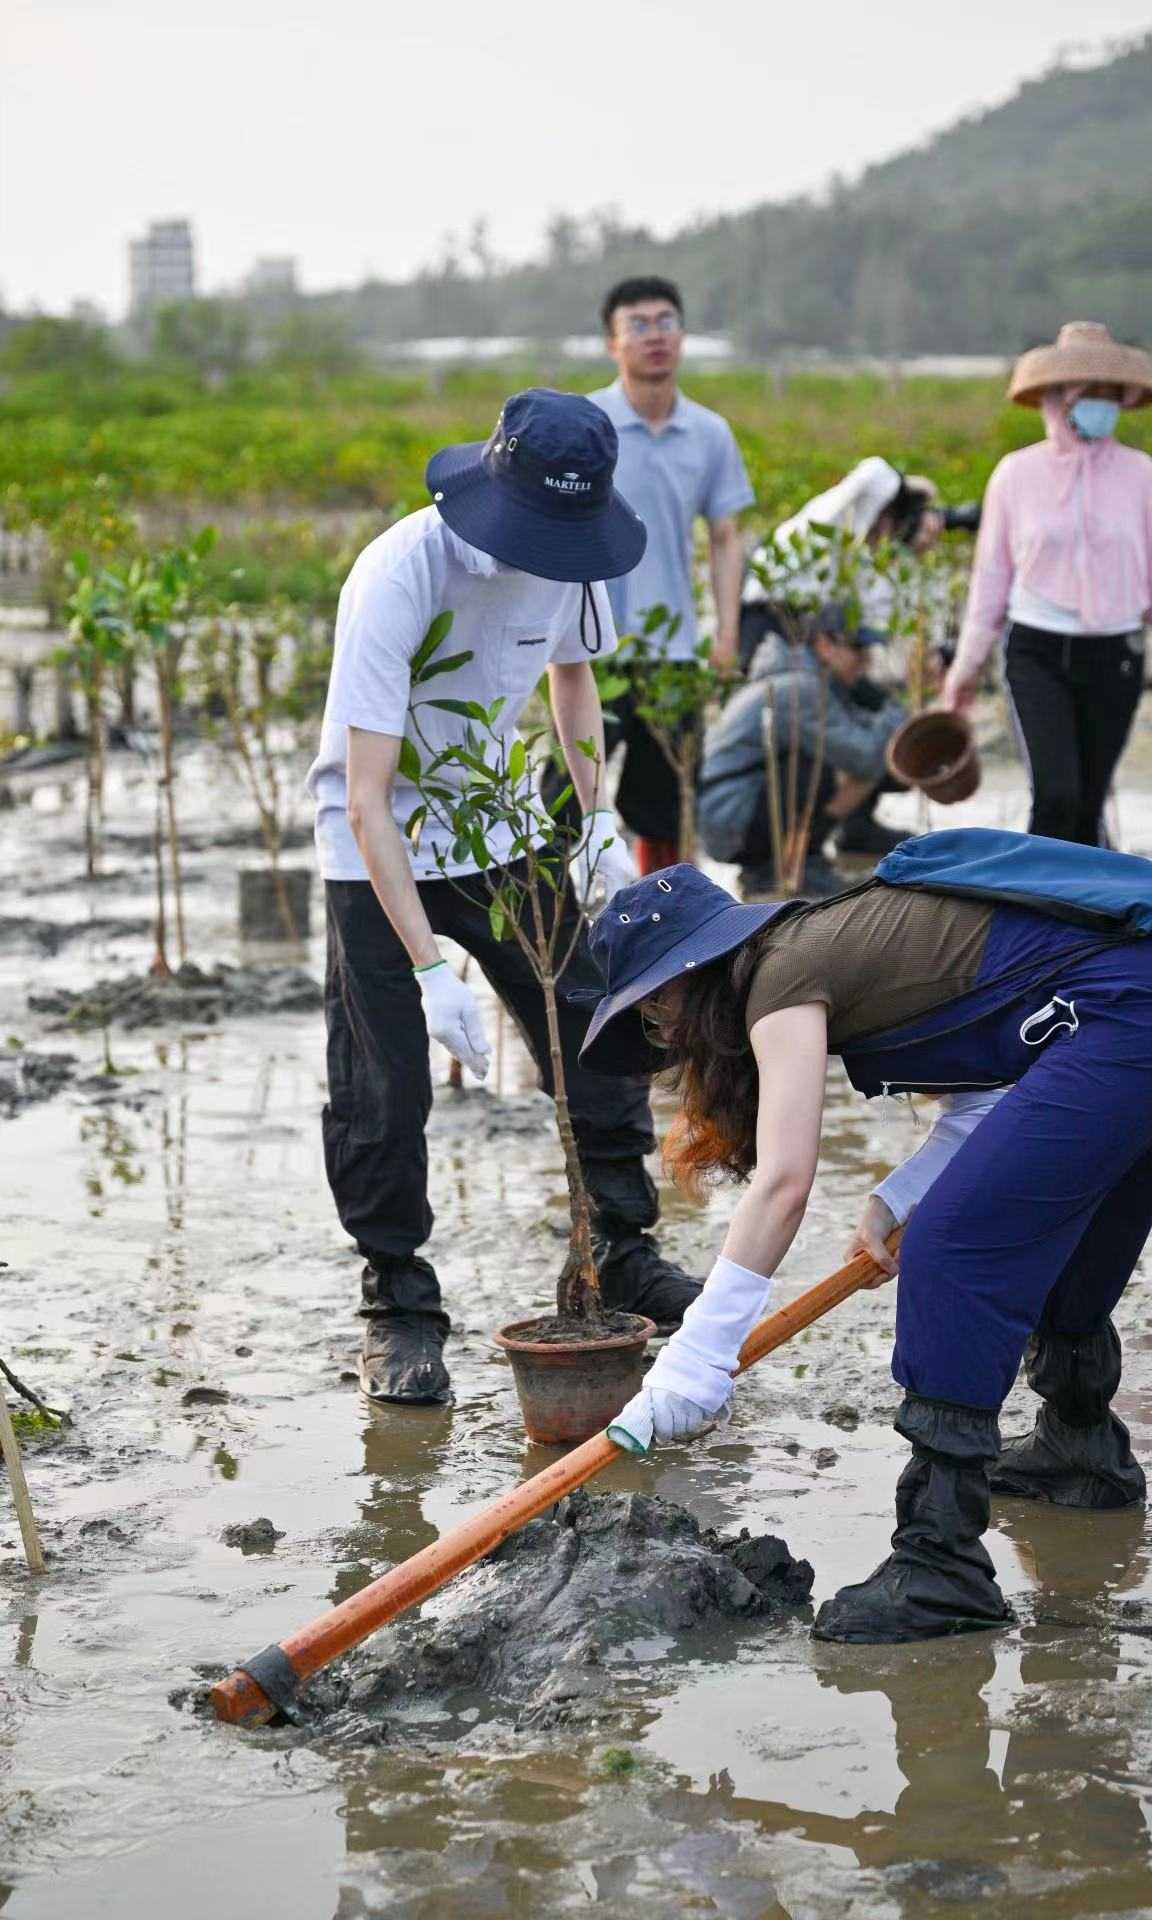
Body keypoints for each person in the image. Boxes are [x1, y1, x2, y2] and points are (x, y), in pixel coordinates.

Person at [576, 846, 1152, 1643]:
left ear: (691, 971)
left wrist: (700, 1356)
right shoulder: (824, 942)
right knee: (1057, 1224)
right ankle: (1080, 1449)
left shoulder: (777, 979)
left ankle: (940, 1566)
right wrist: (897, 1195)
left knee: (954, 1253)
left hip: (1142, 1012)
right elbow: (986, 1097)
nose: (660, 1034)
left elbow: (784, 1183)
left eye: (654, 1013)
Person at [306, 388, 700, 1406]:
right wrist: (430, 970)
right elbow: (365, 799)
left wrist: (590, 815)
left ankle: (619, 1245)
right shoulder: (397, 577)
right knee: (381, 1080)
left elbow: (574, 686)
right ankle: (398, 1297)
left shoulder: (577, 556)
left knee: (592, 1016)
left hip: (497, 820)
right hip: (379, 842)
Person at [943, 320, 1152, 845]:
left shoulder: (1140, 475)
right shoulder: (1016, 475)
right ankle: (1037, 918)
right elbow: (990, 581)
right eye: (1091, 394)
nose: (1102, 406)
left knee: (1088, 804)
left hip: (1116, 654)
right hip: (1036, 650)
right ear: (1059, 399)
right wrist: (965, 669)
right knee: (1056, 797)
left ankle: (1087, 922)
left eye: (1112, 395)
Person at [586, 276, 755, 871]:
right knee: (566, 793)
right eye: (638, 324)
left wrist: (728, 631)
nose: (654, 336)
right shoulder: (588, 426)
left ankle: (663, 940)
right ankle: (562, 939)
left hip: (674, 653)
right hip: (590, 649)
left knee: (667, 805)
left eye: (665, 321)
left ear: (681, 335)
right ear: (612, 343)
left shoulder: (709, 432)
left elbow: (726, 536)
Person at [740, 456, 976, 854]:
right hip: (775, 630)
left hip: (820, 639)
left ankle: (856, 825)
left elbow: (881, 621)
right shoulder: (833, 519)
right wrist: (925, 505)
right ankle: (802, 843)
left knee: (876, 718)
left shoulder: (863, 552)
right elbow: (875, 472)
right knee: (812, 738)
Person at [698, 600, 906, 897]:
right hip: (732, 822)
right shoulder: (799, 688)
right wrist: (895, 709)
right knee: (828, 765)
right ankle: (772, 868)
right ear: (824, 644)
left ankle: (799, 857)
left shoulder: (816, 682)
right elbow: (866, 757)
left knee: (836, 758)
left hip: (735, 815)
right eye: (856, 649)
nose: (865, 660)